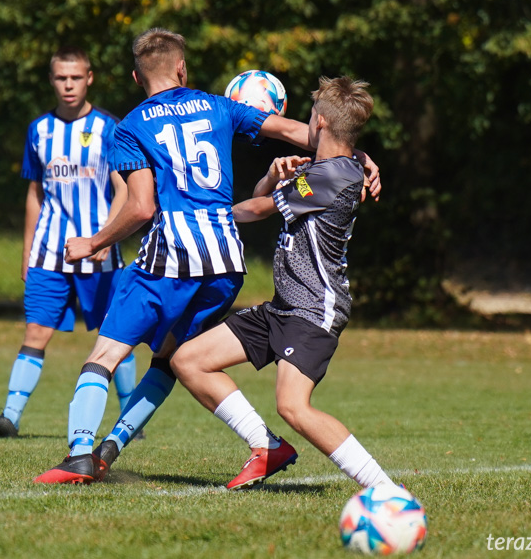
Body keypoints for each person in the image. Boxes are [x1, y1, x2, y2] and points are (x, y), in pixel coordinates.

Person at [33, 29, 380, 484]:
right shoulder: (219, 106)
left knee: (104, 354)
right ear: (182, 68)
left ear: (138, 76)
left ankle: (80, 453)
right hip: (224, 262)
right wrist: (357, 157)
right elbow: (306, 133)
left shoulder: (130, 127)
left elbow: (141, 207)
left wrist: (94, 243)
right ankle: (114, 448)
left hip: (171, 257)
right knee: (173, 358)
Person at [170, 76, 397, 490]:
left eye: (310, 116)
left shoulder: (335, 176)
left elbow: (259, 208)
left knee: (293, 406)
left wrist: (196, 215)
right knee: (189, 360)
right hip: (282, 308)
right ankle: (266, 447)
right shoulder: (323, 169)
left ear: (323, 122)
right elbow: (267, 196)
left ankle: (386, 491)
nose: (305, 123)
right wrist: (275, 174)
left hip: (313, 310)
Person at [0, 46, 137, 439]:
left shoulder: (110, 129)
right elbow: (35, 193)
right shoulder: (38, 130)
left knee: (117, 333)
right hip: (49, 253)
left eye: (75, 78)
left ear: (89, 78)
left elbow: (123, 190)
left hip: (100, 254)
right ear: (52, 80)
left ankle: (130, 419)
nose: (68, 85)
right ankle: (10, 418)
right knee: (35, 333)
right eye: (61, 78)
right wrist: (27, 248)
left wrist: (102, 238)